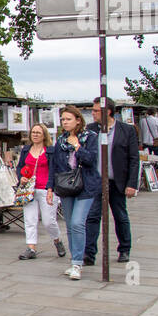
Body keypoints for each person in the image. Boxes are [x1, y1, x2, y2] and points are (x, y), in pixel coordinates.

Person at [84, 97, 140, 265]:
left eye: (95, 110)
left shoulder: (126, 130)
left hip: (117, 181)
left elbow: (134, 159)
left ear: (107, 111)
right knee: (92, 216)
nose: (92, 114)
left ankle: (124, 249)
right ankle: (89, 253)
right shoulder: (91, 129)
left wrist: (132, 184)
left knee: (120, 215)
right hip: (96, 181)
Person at [49, 105, 100, 281]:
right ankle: (74, 261)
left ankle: (78, 262)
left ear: (78, 120)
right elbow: (54, 166)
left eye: (68, 119)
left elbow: (91, 160)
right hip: (66, 186)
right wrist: (50, 187)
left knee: (78, 223)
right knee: (70, 225)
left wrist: (78, 146)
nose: (65, 122)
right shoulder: (61, 140)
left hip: (86, 186)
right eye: (63, 119)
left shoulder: (90, 137)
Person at [15, 123, 65, 260]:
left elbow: (55, 170)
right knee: (30, 219)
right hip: (29, 189)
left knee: (49, 221)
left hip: (46, 189)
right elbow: (20, 167)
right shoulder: (26, 150)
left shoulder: (50, 150)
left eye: (38, 132)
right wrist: (21, 177)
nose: (35, 135)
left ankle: (57, 240)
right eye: (33, 132)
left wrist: (51, 188)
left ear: (44, 135)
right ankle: (31, 248)